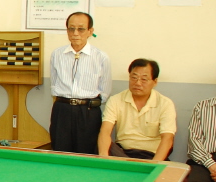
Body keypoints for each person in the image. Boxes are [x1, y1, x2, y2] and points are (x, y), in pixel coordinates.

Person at [49, 12, 111, 154]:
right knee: (60, 153)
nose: (75, 33)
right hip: (62, 110)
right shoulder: (57, 54)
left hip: (88, 112)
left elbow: (105, 91)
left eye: (81, 29)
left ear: (90, 31)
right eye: (71, 29)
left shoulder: (101, 57)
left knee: (87, 153)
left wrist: (88, 106)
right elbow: (54, 85)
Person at [97, 59, 176, 161]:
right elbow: (105, 131)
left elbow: (167, 139)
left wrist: (154, 165)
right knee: (102, 145)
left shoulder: (165, 103)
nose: (138, 83)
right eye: (134, 78)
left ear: (155, 81)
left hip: (151, 156)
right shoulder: (115, 100)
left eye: (144, 79)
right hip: (122, 153)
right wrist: (104, 158)